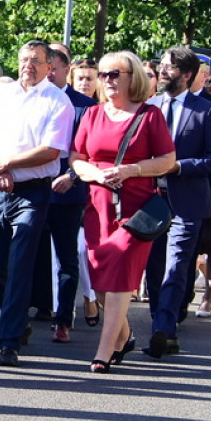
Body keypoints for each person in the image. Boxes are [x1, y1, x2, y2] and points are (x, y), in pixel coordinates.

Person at [69, 51, 175, 372]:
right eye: (103, 75)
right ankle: (124, 334)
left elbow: (167, 160)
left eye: (115, 74)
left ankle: (103, 351)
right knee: (100, 283)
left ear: (133, 77)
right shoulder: (93, 114)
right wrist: (96, 174)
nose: (108, 81)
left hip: (136, 210)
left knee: (118, 278)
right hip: (97, 209)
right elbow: (77, 158)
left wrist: (132, 171)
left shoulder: (149, 116)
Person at [0, 40, 74, 367]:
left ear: (50, 67)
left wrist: (7, 165)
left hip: (33, 191)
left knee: (20, 262)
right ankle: (15, 320)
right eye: (24, 59)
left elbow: (50, 150)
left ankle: (9, 339)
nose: (28, 65)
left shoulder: (58, 101)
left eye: (36, 60)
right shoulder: (1, 95)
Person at [142, 46, 211, 358]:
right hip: (150, 200)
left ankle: (164, 329)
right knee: (154, 265)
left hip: (187, 201)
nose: (162, 71)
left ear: (186, 75)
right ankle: (160, 318)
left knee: (176, 265)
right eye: (162, 66)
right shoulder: (150, 106)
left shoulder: (206, 110)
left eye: (170, 67)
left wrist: (179, 166)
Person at [30, 44, 96, 343]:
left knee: (68, 257)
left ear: (65, 69)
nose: (50, 73)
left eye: (55, 68)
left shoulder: (85, 106)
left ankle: (63, 319)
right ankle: (23, 316)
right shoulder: (31, 100)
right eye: (47, 67)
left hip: (67, 192)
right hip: (31, 189)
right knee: (26, 254)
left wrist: (71, 175)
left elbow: (92, 153)